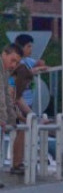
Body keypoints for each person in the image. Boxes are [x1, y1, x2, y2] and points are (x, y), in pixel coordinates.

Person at [11, 34, 44, 173]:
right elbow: (18, 76)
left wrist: (39, 64)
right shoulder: (16, 63)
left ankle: (20, 162)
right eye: (28, 46)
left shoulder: (29, 61)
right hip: (18, 100)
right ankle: (16, 163)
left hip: (27, 101)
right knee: (21, 131)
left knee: (24, 132)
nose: (30, 49)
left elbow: (39, 63)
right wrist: (33, 71)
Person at [0, 44, 23, 174]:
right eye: (12, 60)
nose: (14, 65)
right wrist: (3, 118)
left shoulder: (5, 71)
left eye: (17, 62)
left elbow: (6, 96)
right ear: (4, 54)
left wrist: (12, 119)